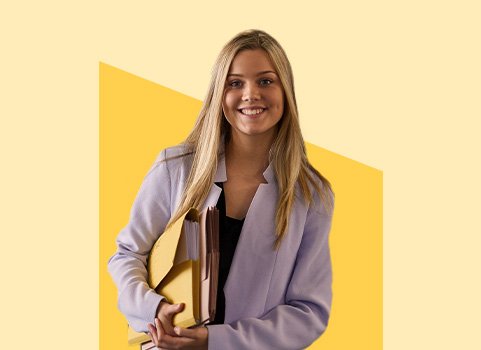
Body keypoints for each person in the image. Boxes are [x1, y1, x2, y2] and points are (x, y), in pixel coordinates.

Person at [108, 29, 334, 350]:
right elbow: (127, 255)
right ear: (219, 93)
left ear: (286, 92)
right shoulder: (175, 167)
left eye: (266, 81)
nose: (251, 94)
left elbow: (308, 312)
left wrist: (214, 341)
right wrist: (156, 310)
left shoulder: (312, 196)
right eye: (235, 82)